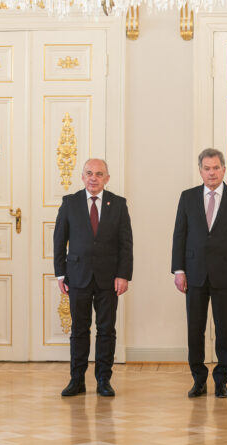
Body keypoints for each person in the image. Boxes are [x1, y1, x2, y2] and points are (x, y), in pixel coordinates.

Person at [171, 148, 227, 398]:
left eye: (216, 168)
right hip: (193, 274)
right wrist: (179, 269)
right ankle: (198, 379)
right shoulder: (187, 197)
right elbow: (179, 235)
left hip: (226, 275)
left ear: (224, 170)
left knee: (224, 330)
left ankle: (221, 380)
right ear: (200, 171)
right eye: (207, 168)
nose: (211, 172)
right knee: (195, 329)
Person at [54, 158, 133, 397]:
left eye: (99, 174)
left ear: (107, 178)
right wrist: (60, 274)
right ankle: (76, 380)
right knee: (79, 329)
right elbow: (59, 241)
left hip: (109, 278)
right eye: (89, 173)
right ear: (82, 176)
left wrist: (123, 275)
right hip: (77, 276)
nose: (93, 178)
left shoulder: (118, 204)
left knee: (106, 330)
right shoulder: (70, 203)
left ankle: (103, 381)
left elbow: (126, 243)